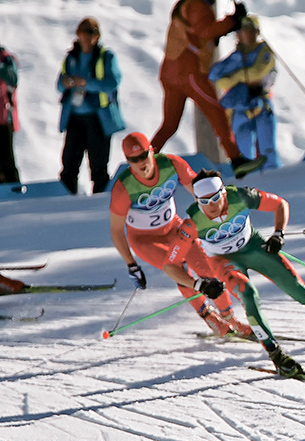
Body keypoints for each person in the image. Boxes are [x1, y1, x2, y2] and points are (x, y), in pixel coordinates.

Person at [185, 169, 305, 377]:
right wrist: (199, 284)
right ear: (196, 200)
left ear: (224, 192)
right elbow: (171, 262)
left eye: (215, 197)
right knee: (249, 295)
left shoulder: (240, 196)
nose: (212, 205)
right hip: (224, 261)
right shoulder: (193, 221)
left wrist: (278, 233)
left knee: (298, 289)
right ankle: (275, 353)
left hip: (253, 247)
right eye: (204, 202)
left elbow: (280, 204)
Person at [109, 132, 253, 338]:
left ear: (152, 151)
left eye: (144, 156)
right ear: (128, 161)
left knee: (207, 268)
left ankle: (231, 319)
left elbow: (200, 193)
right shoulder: (124, 188)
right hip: (145, 241)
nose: (141, 163)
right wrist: (131, 264)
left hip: (174, 229)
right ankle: (210, 318)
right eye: (134, 160)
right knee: (179, 269)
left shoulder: (171, 164)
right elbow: (116, 230)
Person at [151, 0, 265, 179]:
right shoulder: (198, 4)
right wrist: (233, 21)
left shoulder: (188, 4)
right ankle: (237, 160)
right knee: (217, 112)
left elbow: (199, 33)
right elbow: (206, 31)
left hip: (171, 71)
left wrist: (228, 25)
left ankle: (144, 160)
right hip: (188, 72)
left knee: (169, 125)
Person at [56, 18, 126, 195]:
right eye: (83, 33)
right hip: (75, 117)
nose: (87, 38)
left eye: (90, 33)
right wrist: (67, 83)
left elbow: (112, 82)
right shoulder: (72, 57)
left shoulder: (105, 57)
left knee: (98, 167)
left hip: (97, 118)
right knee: (69, 165)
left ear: (97, 36)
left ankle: (99, 202)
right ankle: (66, 202)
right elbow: (59, 84)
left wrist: (87, 83)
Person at [208, 15, 281, 170]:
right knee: (243, 145)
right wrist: (238, 75)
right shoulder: (237, 56)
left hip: (261, 103)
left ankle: (273, 175)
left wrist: (236, 76)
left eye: (250, 31)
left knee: (267, 146)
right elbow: (216, 76)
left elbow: (257, 72)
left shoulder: (264, 52)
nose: (246, 35)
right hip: (240, 107)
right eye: (242, 31)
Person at [0, 40, 20, 185]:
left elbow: (12, 77)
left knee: (7, 160)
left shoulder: (6, 58)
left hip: (4, 119)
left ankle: (15, 193)